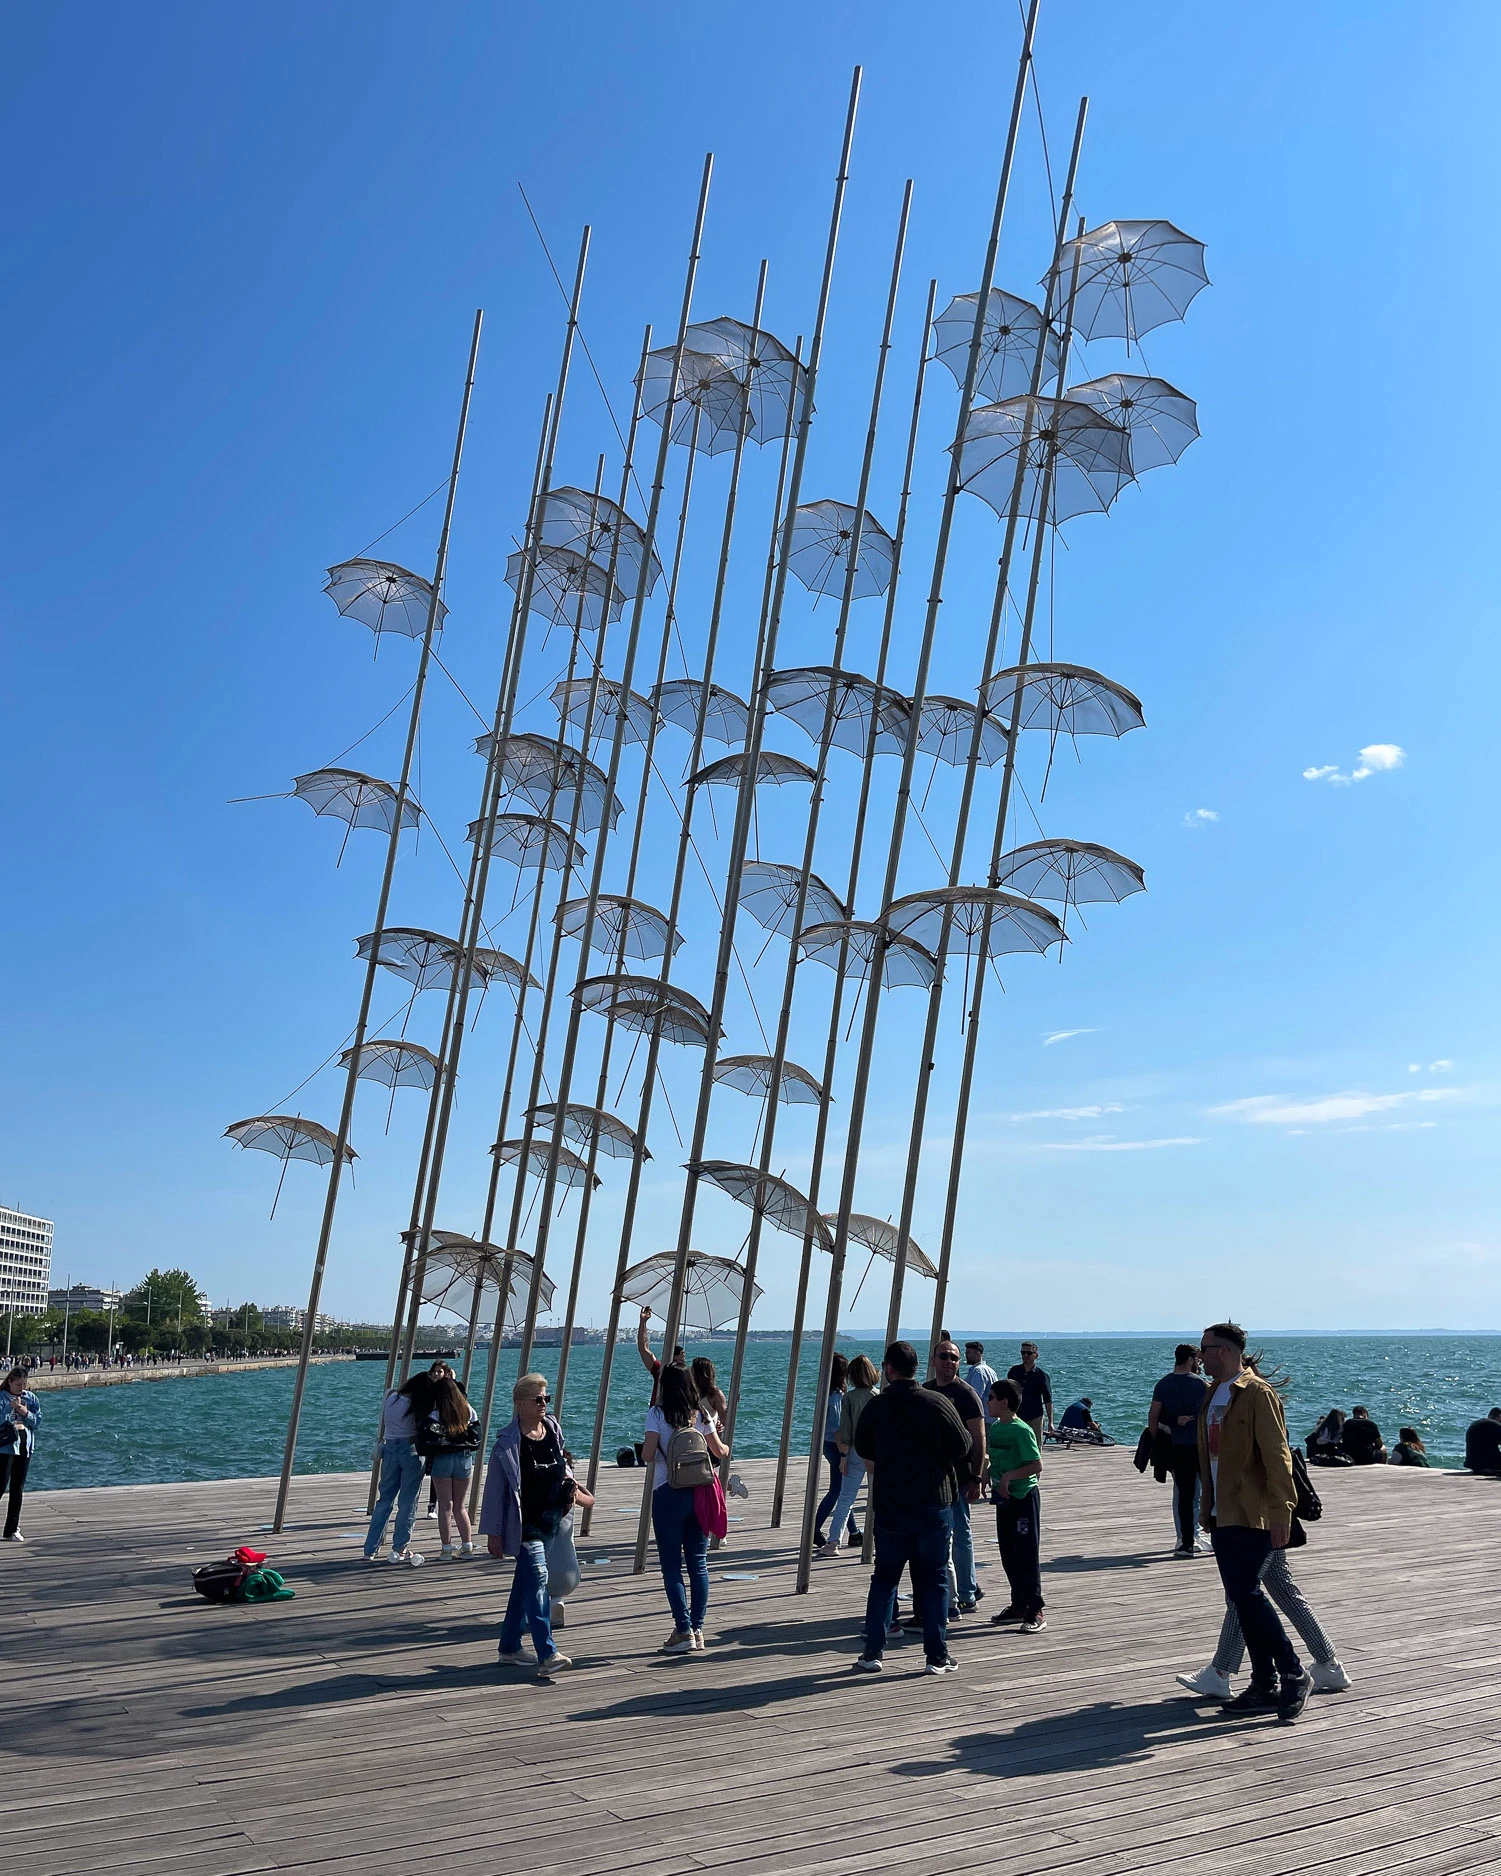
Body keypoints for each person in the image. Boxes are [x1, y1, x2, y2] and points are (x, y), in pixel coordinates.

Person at [1197, 1322, 1311, 1721]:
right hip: (1221, 1511)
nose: (1200, 1355)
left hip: (1253, 1511)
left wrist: (1282, 1511)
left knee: (1247, 1594)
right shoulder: (1213, 1393)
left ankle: (1293, 1672)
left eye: (1205, 1348)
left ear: (1224, 1351)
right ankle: (1265, 1683)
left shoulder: (1257, 1394)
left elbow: (1278, 1455)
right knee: (1240, 1598)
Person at [852, 1340, 971, 1676]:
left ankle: (873, 1652)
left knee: (885, 1577)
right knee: (934, 1579)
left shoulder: (876, 1407)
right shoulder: (938, 1402)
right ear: (918, 1368)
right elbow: (963, 1445)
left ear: (888, 1369)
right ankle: (936, 1656)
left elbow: (864, 1447)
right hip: (934, 1503)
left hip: (891, 1504)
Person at [479, 1372, 580, 1678]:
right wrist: (493, 1533)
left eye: (546, 1398)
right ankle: (547, 1653)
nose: (543, 1405)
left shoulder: (552, 1429)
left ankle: (509, 1647)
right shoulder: (507, 1445)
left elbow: (564, 1466)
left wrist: (571, 1488)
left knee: (524, 1583)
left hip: (552, 1520)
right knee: (537, 1579)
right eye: (537, 1399)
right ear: (519, 1404)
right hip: (524, 1526)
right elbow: (495, 1493)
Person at [642, 1363, 728, 1653]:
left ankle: (682, 1629)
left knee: (670, 1565)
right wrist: (718, 1434)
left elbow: (647, 1454)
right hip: (701, 1493)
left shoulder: (657, 1414)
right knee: (698, 1563)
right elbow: (720, 1452)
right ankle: (698, 1628)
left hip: (668, 1493)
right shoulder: (700, 1414)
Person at [927, 1340, 986, 1612]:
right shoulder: (926, 1391)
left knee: (961, 1533)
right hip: (932, 1476)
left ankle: (967, 1592)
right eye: (943, 1356)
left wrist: (976, 1477)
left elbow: (979, 1437)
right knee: (935, 1534)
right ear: (934, 1360)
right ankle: (940, 1589)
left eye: (954, 1358)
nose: (948, 1362)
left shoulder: (966, 1394)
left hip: (961, 1475)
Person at [984, 1377, 1045, 1631]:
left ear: (1004, 1402)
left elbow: (1036, 1464)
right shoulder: (996, 1428)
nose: (987, 1402)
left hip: (1023, 1498)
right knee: (1008, 1552)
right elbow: (995, 1458)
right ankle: (1018, 1603)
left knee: (1026, 1553)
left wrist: (1010, 1476)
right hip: (1003, 1500)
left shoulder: (1022, 1430)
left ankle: (1035, 1608)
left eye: (991, 1398)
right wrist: (986, 1473)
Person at [362, 1371, 435, 1566]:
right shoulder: (417, 1406)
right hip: (410, 1450)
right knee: (408, 1502)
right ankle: (400, 1547)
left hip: (389, 1449)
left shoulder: (390, 1396)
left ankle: (370, 1548)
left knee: (384, 1500)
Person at [1150, 1343, 1210, 1557]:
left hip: (1176, 1446)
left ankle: (1185, 1541)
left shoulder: (1163, 1384)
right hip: (1201, 1446)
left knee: (1184, 1494)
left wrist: (1161, 1440)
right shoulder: (1201, 1385)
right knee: (1208, 1491)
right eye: (1198, 1360)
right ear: (1190, 1360)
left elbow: (1153, 1418)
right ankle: (1208, 1534)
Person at [821, 1354, 878, 1557]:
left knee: (845, 1499)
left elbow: (845, 1430)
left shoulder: (849, 1398)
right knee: (877, 1499)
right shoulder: (877, 1396)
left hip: (854, 1451)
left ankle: (833, 1541)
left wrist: (843, 1456)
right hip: (876, 1452)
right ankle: (878, 1540)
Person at [422, 1374, 480, 1558]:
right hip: (464, 1458)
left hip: (443, 1459)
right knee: (460, 1506)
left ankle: (446, 1549)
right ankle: (467, 1546)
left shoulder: (435, 1415)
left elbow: (428, 1438)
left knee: (445, 1506)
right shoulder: (468, 1410)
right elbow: (476, 1433)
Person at [814, 1354, 859, 1549]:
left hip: (827, 1443)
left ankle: (854, 1531)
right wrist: (844, 1454)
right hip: (837, 1445)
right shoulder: (838, 1398)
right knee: (838, 1491)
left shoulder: (825, 1394)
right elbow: (840, 1429)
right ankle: (814, 1530)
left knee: (844, 1490)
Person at [0, 1366, 41, 1542]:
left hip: (25, 1446)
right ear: (10, 1381)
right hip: (5, 1447)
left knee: (17, 1488)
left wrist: (26, 1413)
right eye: (18, 1384)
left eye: (24, 1384)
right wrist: (10, 1408)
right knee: (0, 1486)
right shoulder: (1, 1397)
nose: (21, 1388)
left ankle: (11, 1529)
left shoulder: (29, 1398)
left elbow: (38, 1420)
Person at [636, 1305, 684, 1404]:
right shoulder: (661, 1370)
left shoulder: (686, 1376)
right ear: (671, 1357)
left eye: (683, 1358)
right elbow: (643, 1349)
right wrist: (643, 1322)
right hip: (657, 1416)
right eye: (679, 1359)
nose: (682, 1361)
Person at [1008, 1342, 1054, 1444]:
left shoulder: (1041, 1376)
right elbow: (1008, 1393)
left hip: (1035, 1416)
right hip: (1016, 1416)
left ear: (1036, 1355)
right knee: (1016, 1445)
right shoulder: (1014, 1371)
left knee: (1035, 1446)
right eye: (1023, 1353)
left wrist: (1051, 1422)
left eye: (1029, 1353)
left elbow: (1047, 1400)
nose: (1025, 1356)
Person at [964, 1341, 999, 1418]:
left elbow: (975, 1396)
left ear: (977, 1354)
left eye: (968, 1353)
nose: (966, 1356)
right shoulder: (990, 1370)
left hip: (984, 1418)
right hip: (991, 1417)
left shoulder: (978, 1371)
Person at [1464, 1408, 1501, 1474]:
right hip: (1487, 1463)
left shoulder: (1477, 1423)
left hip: (1473, 1464)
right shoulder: (1496, 1425)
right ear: (1499, 1417)